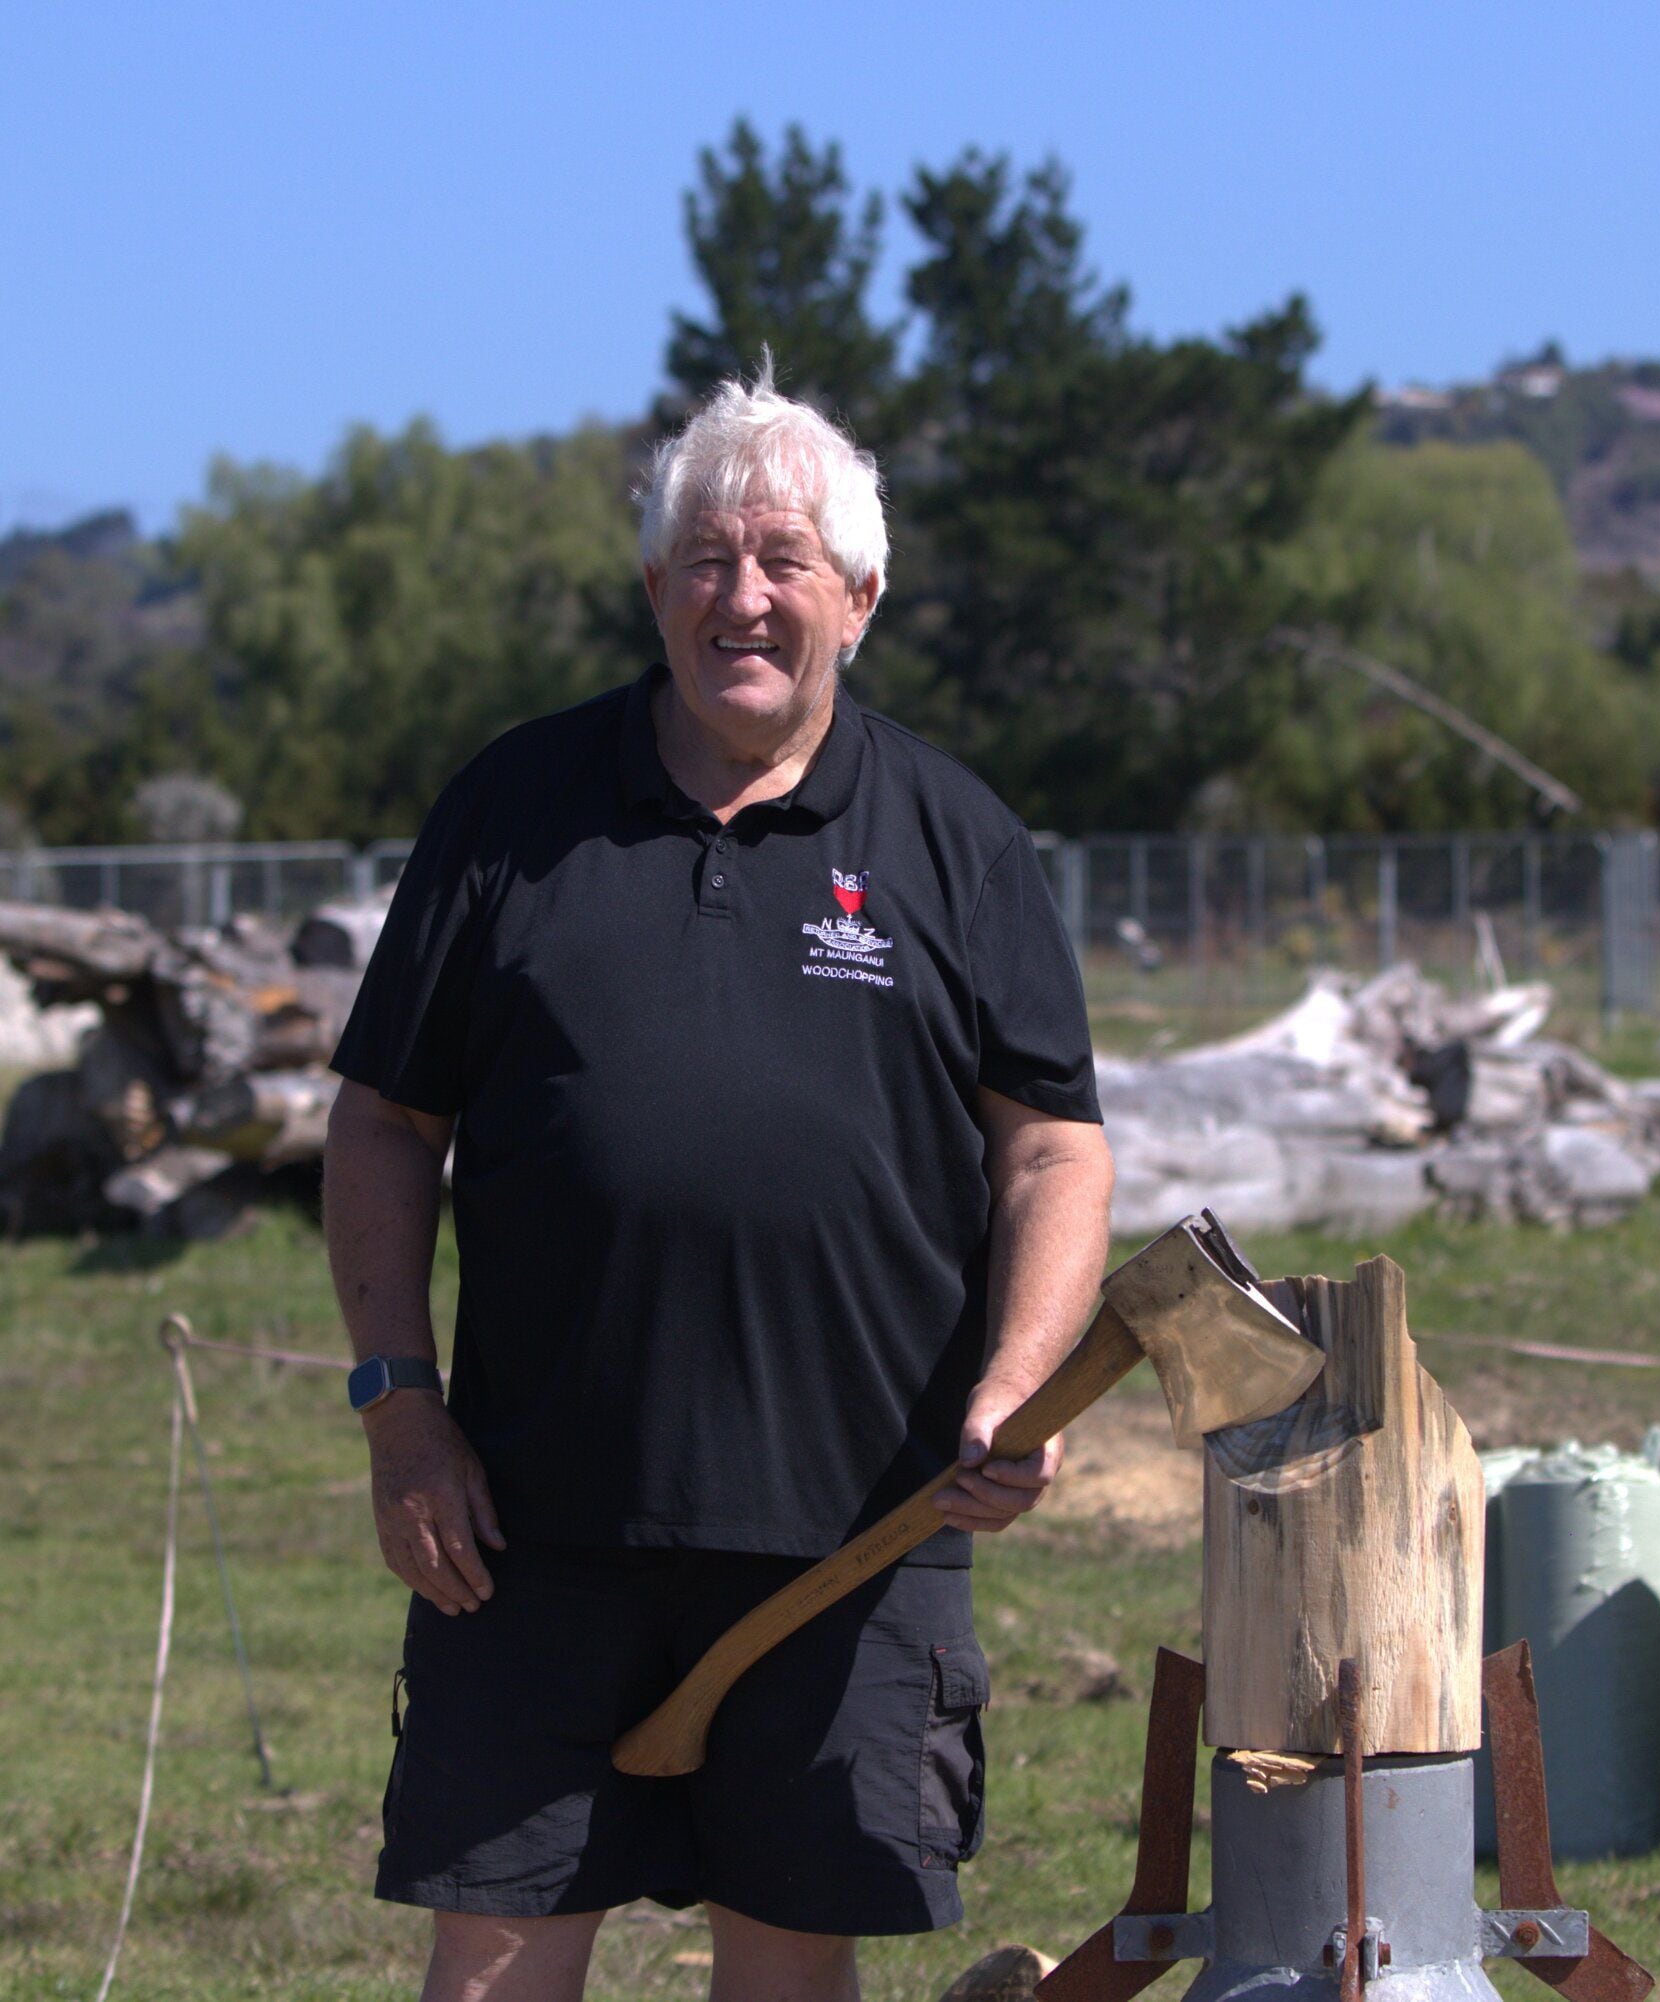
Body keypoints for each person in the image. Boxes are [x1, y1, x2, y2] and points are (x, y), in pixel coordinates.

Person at [323, 368, 1114, 2002]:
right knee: (487, 1968)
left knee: (787, 1973)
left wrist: (1022, 1380)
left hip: (856, 1531)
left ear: (860, 596)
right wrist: (403, 1406)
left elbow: (1050, 1145)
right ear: (652, 586)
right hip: (526, 1530)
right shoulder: (512, 811)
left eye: (781, 560)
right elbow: (384, 1121)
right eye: (704, 558)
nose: (739, 598)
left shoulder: (957, 840)